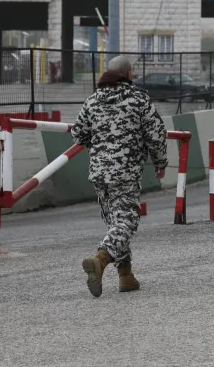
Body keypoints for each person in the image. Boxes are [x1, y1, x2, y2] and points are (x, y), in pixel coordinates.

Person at [71, 55, 168, 298]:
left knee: (116, 223)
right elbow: (156, 135)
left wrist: (100, 145)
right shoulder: (138, 99)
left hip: (99, 174)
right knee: (127, 222)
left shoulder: (92, 101)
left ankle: (126, 275)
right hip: (125, 172)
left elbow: (78, 134)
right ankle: (101, 259)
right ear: (129, 75)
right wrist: (160, 162)